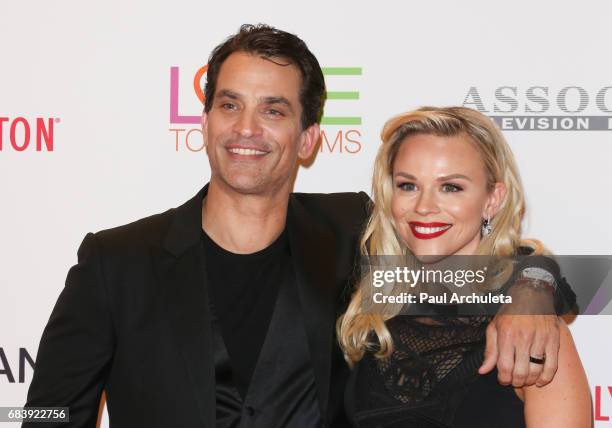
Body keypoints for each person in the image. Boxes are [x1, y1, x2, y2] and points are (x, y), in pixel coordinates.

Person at [24, 26, 569, 427]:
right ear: (205, 120)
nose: (246, 128)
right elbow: (48, 413)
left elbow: (481, 258)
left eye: (274, 110)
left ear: (308, 138)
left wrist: (535, 285)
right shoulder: (115, 260)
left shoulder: (351, 232)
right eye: (229, 104)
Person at [339, 106, 591, 427]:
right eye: (408, 185)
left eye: (451, 187)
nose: (424, 207)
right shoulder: (367, 311)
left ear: (492, 199)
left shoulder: (528, 329)